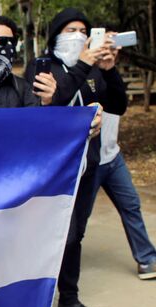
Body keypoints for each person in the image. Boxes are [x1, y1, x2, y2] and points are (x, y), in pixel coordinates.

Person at [26, 8, 128, 307]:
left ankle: (69, 298)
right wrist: (84, 62)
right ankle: (31, 294)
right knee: (52, 234)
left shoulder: (96, 71)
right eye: (70, 29)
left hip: (89, 164)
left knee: (76, 234)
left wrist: (109, 70)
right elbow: (54, 109)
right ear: (56, 34)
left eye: (84, 30)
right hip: (54, 169)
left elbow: (119, 105)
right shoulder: (42, 67)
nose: (79, 35)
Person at [86, 30, 156, 281]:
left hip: (113, 158)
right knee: (79, 221)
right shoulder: (84, 76)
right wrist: (93, 64)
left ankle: (147, 259)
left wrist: (110, 66)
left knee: (131, 205)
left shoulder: (108, 74)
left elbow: (120, 105)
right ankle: (60, 264)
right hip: (90, 163)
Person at [0, 16, 56, 108]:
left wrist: (46, 101)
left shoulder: (22, 87)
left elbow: (35, 118)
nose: (9, 46)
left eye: (12, 41)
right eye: (1, 40)